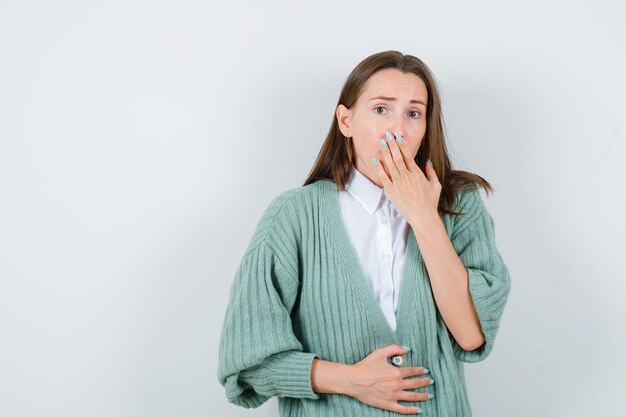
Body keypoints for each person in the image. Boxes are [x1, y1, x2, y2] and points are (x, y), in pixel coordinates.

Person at [217, 50, 512, 416]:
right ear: (345, 120)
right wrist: (352, 380)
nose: (398, 129)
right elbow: (246, 363)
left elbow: (471, 335)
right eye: (381, 109)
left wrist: (423, 217)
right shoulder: (293, 216)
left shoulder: (459, 208)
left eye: (414, 113)